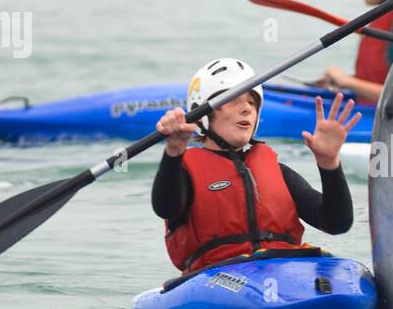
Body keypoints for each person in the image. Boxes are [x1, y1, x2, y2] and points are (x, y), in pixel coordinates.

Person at [153, 58, 361, 276]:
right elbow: (165, 208)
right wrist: (174, 149)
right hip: (218, 278)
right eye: (233, 100)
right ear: (202, 114)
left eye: (252, 102)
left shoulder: (279, 172)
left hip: (286, 273)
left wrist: (329, 163)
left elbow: (337, 224)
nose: (246, 109)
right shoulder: (183, 171)